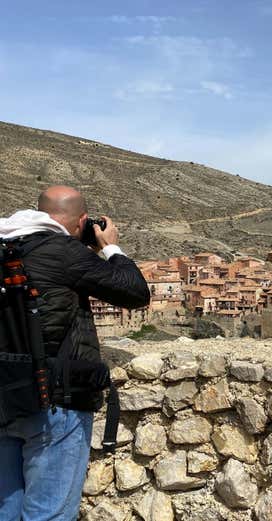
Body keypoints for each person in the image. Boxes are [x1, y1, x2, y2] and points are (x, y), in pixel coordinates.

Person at [0, 186, 150, 521]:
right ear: (82, 220)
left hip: (4, 397)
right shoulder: (63, 250)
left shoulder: (6, 246)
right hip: (55, 401)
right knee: (48, 513)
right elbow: (135, 292)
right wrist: (110, 246)